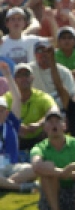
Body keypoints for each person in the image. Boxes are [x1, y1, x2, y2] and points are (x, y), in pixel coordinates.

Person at [0, 60, 36, 192]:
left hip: (11, 167)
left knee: (34, 168)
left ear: (7, 112)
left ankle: (6, 185)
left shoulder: (11, 123)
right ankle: (19, 187)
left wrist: (8, 76)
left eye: (2, 109)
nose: (0, 113)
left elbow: (17, 98)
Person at [4, 61, 54, 151]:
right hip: (15, 139)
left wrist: (39, 124)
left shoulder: (41, 96)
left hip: (39, 139)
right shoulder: (7, 98)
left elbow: (53, 110)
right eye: (19, 76)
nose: (24, 78)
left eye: (26, 75)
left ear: (32, 78)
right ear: (14, 80)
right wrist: (16, 125)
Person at [29, 40, 75, 107]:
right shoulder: (28, 70)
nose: (43, 54)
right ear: (34, 55)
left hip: (60, 112)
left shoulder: (64, 72)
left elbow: (72, 96)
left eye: (46, 51)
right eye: (39, 51)